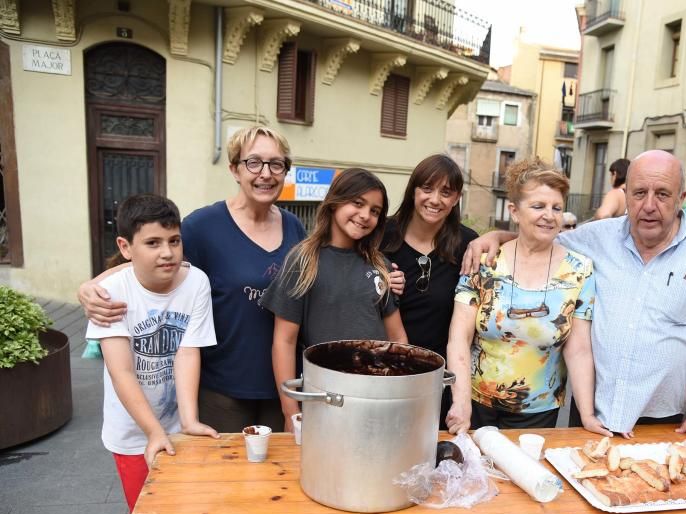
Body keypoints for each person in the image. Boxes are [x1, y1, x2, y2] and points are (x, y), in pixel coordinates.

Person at [462, 149, 686, 514]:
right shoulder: (593, 238)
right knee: (587, 489)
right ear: (625, 195)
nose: (649, 205)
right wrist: (493, 235)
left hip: (661, 404)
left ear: (682, 199)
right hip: (598, 399)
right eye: (639, 193)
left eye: (662, 194)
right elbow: (537, 231)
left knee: (650, 492)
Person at [439, 157, 610, 514]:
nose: (549, 215)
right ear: (514, 210)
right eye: (538, 204)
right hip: (472, 400)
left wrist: (588, 412)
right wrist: (460, 401)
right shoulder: (485, 261)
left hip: (536, 413)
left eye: (557, 206)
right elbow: (458, 337)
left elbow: (578, 348)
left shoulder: (580, 269)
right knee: (468, 493)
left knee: (509, 499)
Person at [78, 126, 306, 434]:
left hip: (281, 387)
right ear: (234, 169)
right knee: (221, 480)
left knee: (275, 478)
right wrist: (90, 287)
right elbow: (153, 259)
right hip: (222, 391)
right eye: (254, 162)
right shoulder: (204, 226)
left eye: (276, 164)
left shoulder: (294, 227)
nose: (266, 173)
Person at [85, 194, 218, 514]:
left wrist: (188, 420)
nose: (167, 252)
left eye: (174, 240)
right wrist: (153, 432)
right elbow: (121, 371)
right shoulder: (113, 292)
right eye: (152, 242)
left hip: (174, 421)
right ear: (126, 246)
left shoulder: (195, 282)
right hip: (130, 432)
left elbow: (187, 350)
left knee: (181, 513)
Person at [264, 167, 407, 431]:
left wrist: (397, 393)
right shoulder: (303, 260)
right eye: (358, 203)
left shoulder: (380, 265)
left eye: (375, 211)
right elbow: (284, 341)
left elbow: (398, 339)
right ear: (334, 201)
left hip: (375, 399)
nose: (365, 215)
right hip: (324, 400)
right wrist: (290, 412)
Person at [381, 154, 478, 427]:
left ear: (457, 198)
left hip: (441, 377)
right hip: (384, 371)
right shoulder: (380, 235)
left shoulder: (468, 244)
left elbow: (517, 243)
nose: (435, 199)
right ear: (413, 190)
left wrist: (495, 236)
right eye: (427, 188)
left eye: (446, 192)